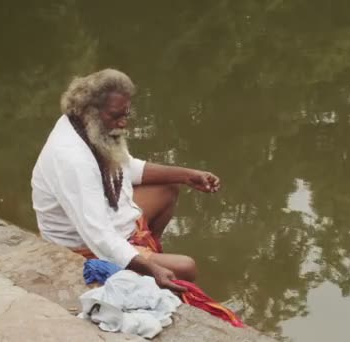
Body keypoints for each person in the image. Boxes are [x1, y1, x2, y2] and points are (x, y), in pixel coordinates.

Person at [31, 69, 220, 292]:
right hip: (83, 245)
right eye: (115, 116)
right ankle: (147, 270)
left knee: (168, 188)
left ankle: (147, 256)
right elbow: (98, 235)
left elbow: (126, 168)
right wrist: (151, 268)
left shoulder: (87, 127)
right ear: (88, 111)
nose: (123, 124)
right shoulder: (70, 157)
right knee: (186, 267)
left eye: (126, 114)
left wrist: (187, 175)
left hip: (112, 222)